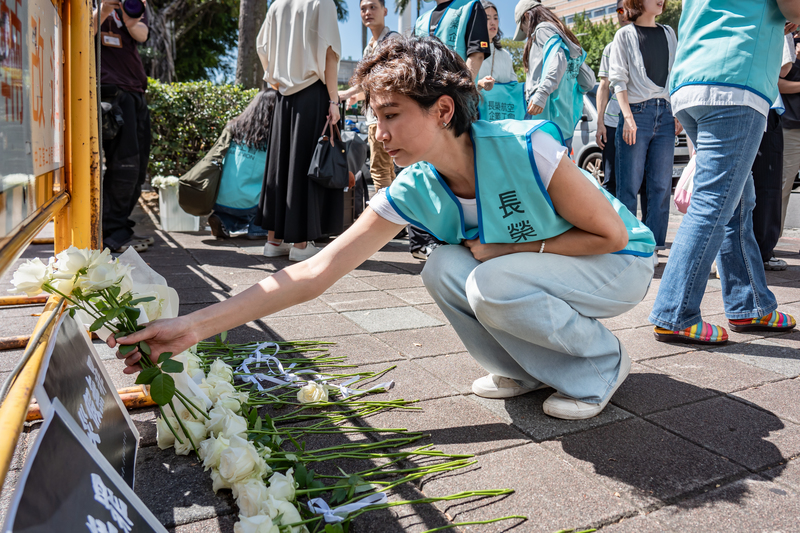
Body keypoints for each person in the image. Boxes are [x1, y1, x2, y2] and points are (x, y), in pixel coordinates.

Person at [112, 37, 656, 421]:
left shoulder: (523, 145)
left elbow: (610, 236)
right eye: (374, 115)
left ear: (443, 110)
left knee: (490, 281)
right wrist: (193, 328)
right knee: (444, 266)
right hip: (537, 270)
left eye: (392, 114)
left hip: (617, 265)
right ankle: (526, 371)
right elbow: (316, 271)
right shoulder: (413, 187)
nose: (378, 130)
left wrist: (506, 247)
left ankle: (601, 365)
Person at [649, 0, 798, 345]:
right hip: (735, 81)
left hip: (694, 79)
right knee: (716, 202)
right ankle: (675, 312)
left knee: (738, 202)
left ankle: (749, 304)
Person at [255, 0, 342, 262]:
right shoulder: (322, 3)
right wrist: (334, 100)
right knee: (304, 164)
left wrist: (275, 79)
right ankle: (302, 245)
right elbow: (329, 53)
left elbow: (262, 47)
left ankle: (273, 241)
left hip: (283, 97)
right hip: (313, 93)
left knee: (279, 165)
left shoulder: (277, 5)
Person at [410, 0, 492, 261]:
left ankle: (473, 236)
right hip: (423, 104)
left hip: (456, 103)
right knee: (424, 168)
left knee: (464, 168)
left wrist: (460, 92)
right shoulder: (421, 20)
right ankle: (424, 240)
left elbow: (475, 54)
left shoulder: (470, 7)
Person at [609, 0, 678, 263]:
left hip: (666, 112)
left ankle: (655, 246)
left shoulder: (669, 32)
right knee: (629, 184)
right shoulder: (624, 34)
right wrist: (627, 117)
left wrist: (677, 109)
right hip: (636, 114)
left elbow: (676, 73)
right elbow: (618, 79)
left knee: (661, 185)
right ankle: (628, 243)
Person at [94, 0, 154, 253]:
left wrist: (129, 18)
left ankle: (117, 228)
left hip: (135, 93)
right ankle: (110, 233)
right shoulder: (87, 5)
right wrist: (106, 9)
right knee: (124, 167)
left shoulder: (132, 4)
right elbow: (80, 30)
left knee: (137, 168)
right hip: (109, 93)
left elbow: (142, 34)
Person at [514, 0, 596, 151]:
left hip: (544, 123)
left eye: (523, 28)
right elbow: (589, 82)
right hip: (565, 125)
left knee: (538, 172)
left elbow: (558, 59)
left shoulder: (542, 30)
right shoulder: (566, 38)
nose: (526, 34)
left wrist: (542, 94)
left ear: (526, 16)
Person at [338, 0, 400, 192]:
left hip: (384, 116)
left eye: (373, 7)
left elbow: (386, 78)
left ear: (385, 10)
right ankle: (396, 218)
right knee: (387, 169)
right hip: (378, 114)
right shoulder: (370, 46)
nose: (367, 12)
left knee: (379, 169)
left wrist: (348, 93)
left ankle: (385, 217)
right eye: (363, 9)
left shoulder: (393, 40)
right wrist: (360, 96)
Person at [751, 32, 796, 271]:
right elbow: (785, 68)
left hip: (744, 103)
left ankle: (747, 253)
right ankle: (761, 252)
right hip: (764, 108)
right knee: (767, 186)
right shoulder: (775, 20)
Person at [207, 90, 277, 240]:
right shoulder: (272, 135)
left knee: (236, 210)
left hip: (219, 197)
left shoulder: (234, 127)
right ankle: (258, 228)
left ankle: (223, 219)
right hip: (250, 202)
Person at [595, 0, 629, 196]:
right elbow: (603, 85)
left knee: (639, 182)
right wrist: (600, 122)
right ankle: (613, 226)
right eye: (619, 10)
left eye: (627, 10)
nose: (623, 14)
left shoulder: (648, 41)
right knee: (611, 181)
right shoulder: (610, 48)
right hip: (612, 123)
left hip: (639, 121)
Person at [475, 1, 525, 121]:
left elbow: (514, 87)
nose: (493, 22)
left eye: (495, 18)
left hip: (503, 118)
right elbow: (462, 86)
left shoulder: (505, 55)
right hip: (476, 117)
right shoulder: (470, 53)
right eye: (487, 18)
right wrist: (480, 84)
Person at [779, 32, 800, 244]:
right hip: (790, 127)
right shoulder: (787, 42)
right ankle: (770, 243)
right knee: (782, 187)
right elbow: (776, 82)